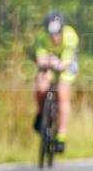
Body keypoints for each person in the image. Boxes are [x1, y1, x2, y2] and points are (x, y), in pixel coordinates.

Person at [33, 12, 79, 152]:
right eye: (51, 34)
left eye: (58, 34)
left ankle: (61, 136)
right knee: (41, 85)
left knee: (62, 93)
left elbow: (66, 63)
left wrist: (55, 62)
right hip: (51, 65)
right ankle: (42, 114)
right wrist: (48, 65)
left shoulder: (71, 36)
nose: (54, 38)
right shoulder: (41, 38)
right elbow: (41, 59)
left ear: (62, 30)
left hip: (66, 65)